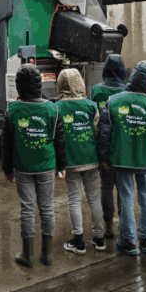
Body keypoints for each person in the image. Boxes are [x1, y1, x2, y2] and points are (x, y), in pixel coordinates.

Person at [98, 60, 146, 257]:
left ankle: (128, 241)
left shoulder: (113, 101)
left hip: (121, 159)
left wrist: (104, 158)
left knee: (126, 196)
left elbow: (104, 133)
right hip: (145, 161)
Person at [2, 63, 67, 268]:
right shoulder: (52, 109)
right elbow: (60, 141)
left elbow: (7, 144)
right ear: (40, 86)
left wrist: (7, 169)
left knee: (27, 209)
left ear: (19, 87)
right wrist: (61, 167)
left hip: (22, 167)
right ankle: (47, 255)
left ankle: (27, 256)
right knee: (47, 209)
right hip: (47, 165)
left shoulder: (12, 110)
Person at [56, 67, 105, 254]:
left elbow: (57, 137)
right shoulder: (90, 105)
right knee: (93, 197)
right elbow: (97, 131)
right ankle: (99, 239)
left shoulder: (57, 107)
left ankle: (78, 240)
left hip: (70, 161)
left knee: (74, 199)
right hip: (91, 158)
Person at [91, 54, 127, 238]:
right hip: (123, 148)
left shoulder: (96, 91)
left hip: (103, 145)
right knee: (123, 187)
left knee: (106, 185)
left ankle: (108, 226)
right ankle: (123, 224)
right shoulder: (128, 91)